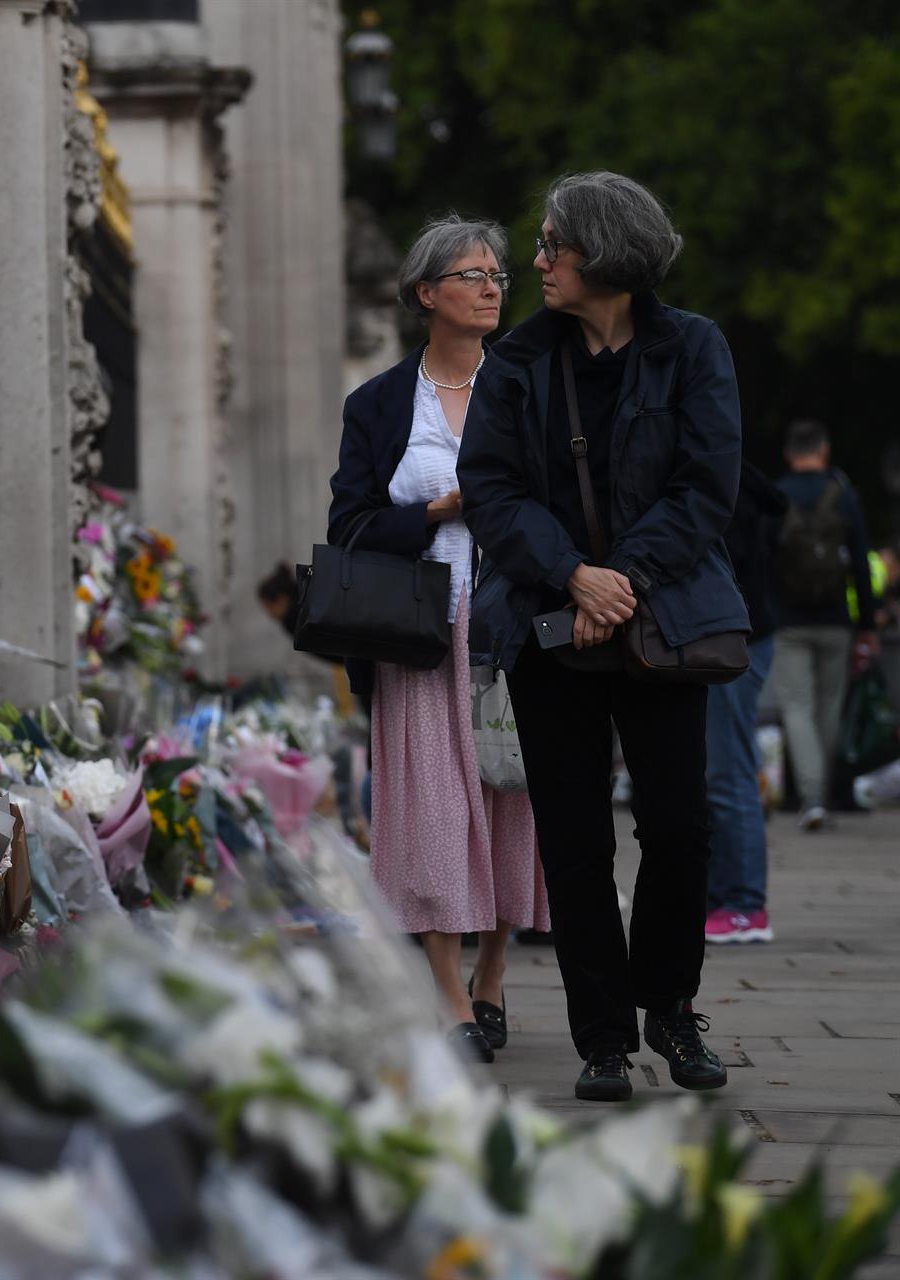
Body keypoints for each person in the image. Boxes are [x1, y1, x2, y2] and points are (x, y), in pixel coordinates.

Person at [459, 172, 745, 1102]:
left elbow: (707, 486)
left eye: (552, 245)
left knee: (678, 826)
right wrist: (575, 575)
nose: (534, 261)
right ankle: (602, 1040)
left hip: (660, 617)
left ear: (605, 253)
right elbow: (492, 490)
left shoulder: (693, 347)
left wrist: (620, 578)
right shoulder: (515, 362)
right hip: (551, 621)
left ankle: (669, 1006)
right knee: (575, 839)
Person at [328, 215, 549, 1066]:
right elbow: (348, 525)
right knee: (431, 809)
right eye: (473, 273)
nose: (494, 285)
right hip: (419, 629)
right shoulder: (380, 404)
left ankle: (493, 972)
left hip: (512, 628)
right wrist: (436, 511)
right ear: (428, 293)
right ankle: (449, 990)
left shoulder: (527, 386)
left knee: (508, 798)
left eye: (499, 273)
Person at [771, 419, 879, 830]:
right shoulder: (845, 496)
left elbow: (766, 562)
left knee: (796, 706)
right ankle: (823, 792)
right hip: (837, 621)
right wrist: (866, 622)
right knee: (829, 708)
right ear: (825, 450)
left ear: (788, 453)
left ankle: (811, 797)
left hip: (789, 622)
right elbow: (862, 565)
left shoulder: (778, 494)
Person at [704, 461, 787, 944]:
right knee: (723, 768)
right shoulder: (740, 473)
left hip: (733, 640)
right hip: (739, 636)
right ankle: (728, 898)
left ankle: (744, 905)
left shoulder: (723, 477)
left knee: (729, 771)